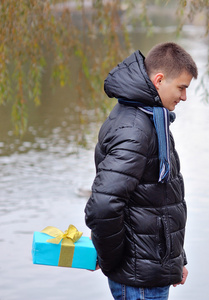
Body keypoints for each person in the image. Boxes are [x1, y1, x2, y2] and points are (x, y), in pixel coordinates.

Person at [84, 42, 198, 300]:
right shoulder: (136, 128)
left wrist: (174, 261)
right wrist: (112, 262)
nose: (184, 97)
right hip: (138, 282)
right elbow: (103, 205)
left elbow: (162, 200)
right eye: (181, 87)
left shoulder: (149, 118)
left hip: (148, 274)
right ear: (159, 80)